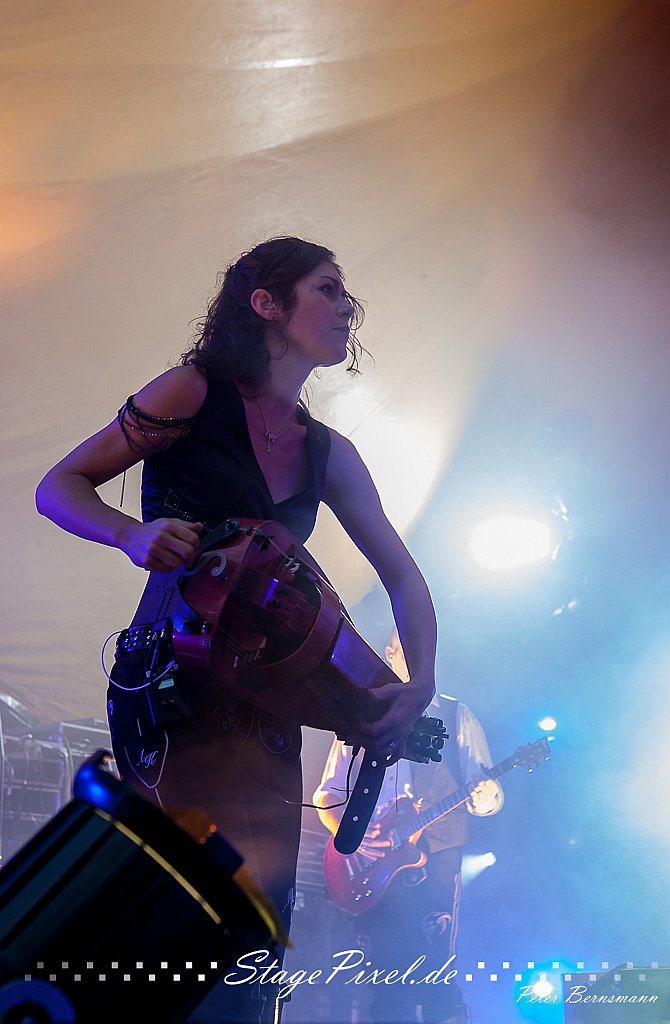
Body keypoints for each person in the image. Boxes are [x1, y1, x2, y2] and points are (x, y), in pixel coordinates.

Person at [35, 236, 438, 1023]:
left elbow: (403, 576)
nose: (347, 307)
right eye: (327, 289)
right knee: (175, 892)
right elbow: (59, 486)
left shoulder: (329, 453)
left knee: (257, 907)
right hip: (169, 685)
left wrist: (419, 682)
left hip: (264, 705)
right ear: (266, 304)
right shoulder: (190, 392)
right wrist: (129, 534)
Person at [314, 629, 503, 1024]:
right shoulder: (359, 719)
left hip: (436, 857)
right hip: (371, 867)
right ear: (389, 653)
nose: (415, 656)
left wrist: (486, 793)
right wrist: (354, 840)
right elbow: (326, 796)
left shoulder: (456, 715)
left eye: (420, 648)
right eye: (403, 648)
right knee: (384, 980)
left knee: (437, 972)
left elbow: (486, 797)